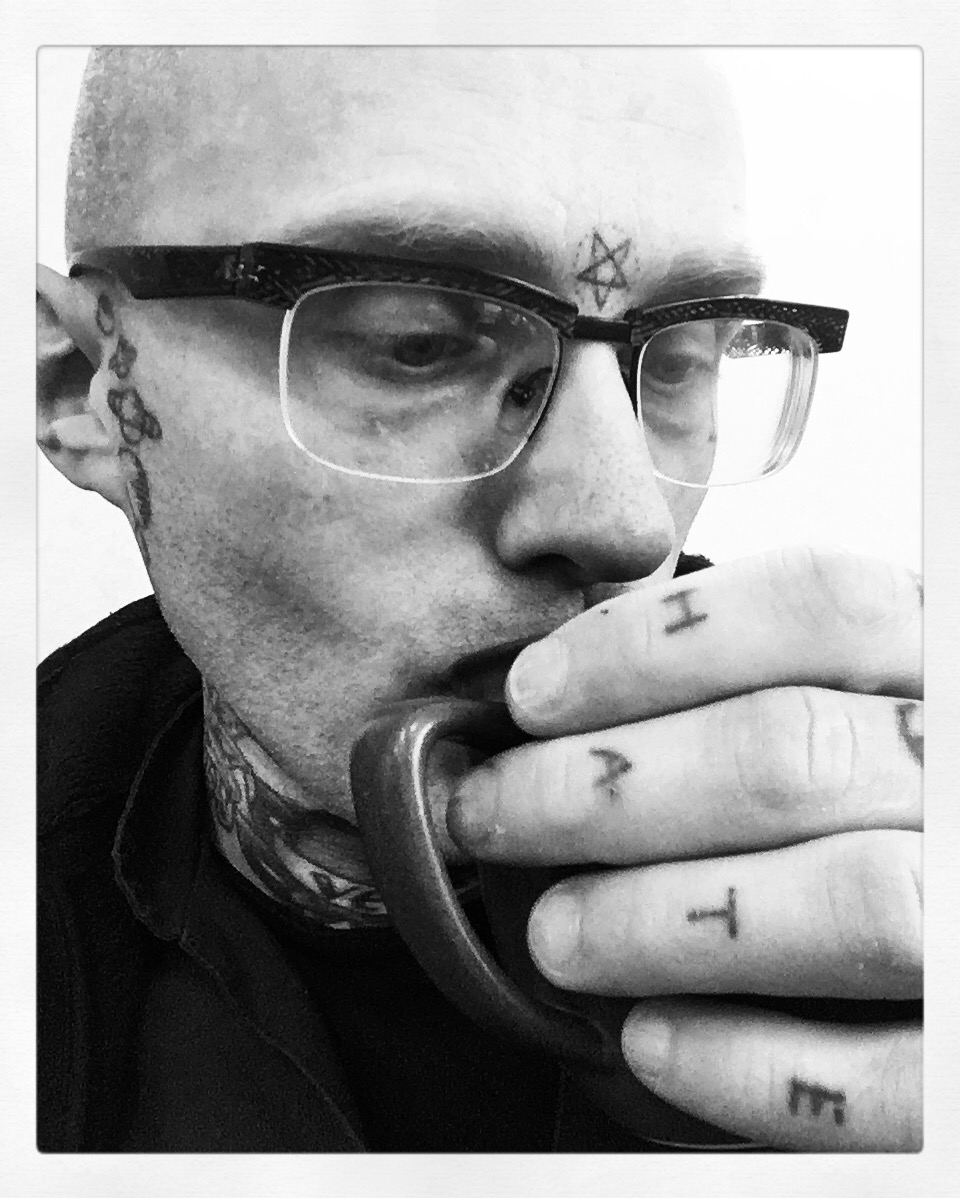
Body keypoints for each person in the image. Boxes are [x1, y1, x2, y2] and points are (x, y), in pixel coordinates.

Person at [36, 46, 922, 1153]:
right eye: (415, 342)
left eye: (679, 359)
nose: (628, 519)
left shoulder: (895, 864)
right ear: (77, 386)